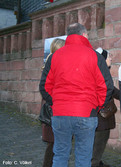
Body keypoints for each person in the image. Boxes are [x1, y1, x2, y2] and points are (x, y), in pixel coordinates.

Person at [39, 23, 114, 167]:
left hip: (60, 113)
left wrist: (56, 103)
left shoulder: (55, 56)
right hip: (86, 113)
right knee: (84, 157)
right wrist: (96, 107)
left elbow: (45, 86)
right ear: (84, 35)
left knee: (60, 154)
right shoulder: (95, 56)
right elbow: (106, 87)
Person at [91, 48, 120, 167]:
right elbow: (110, 89)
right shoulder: (101, 73)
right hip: (101, 116)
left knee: (98, 142)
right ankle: (94, 163)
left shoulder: (99, 71)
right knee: (99, 142)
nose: (111, 58)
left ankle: (97, 161)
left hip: (100, 116)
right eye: (109, 56)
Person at [41, 38, 65, 167]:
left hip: (54, 110)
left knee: (56, 144)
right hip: (53, 111)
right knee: (54, 144)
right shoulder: (53, 64)